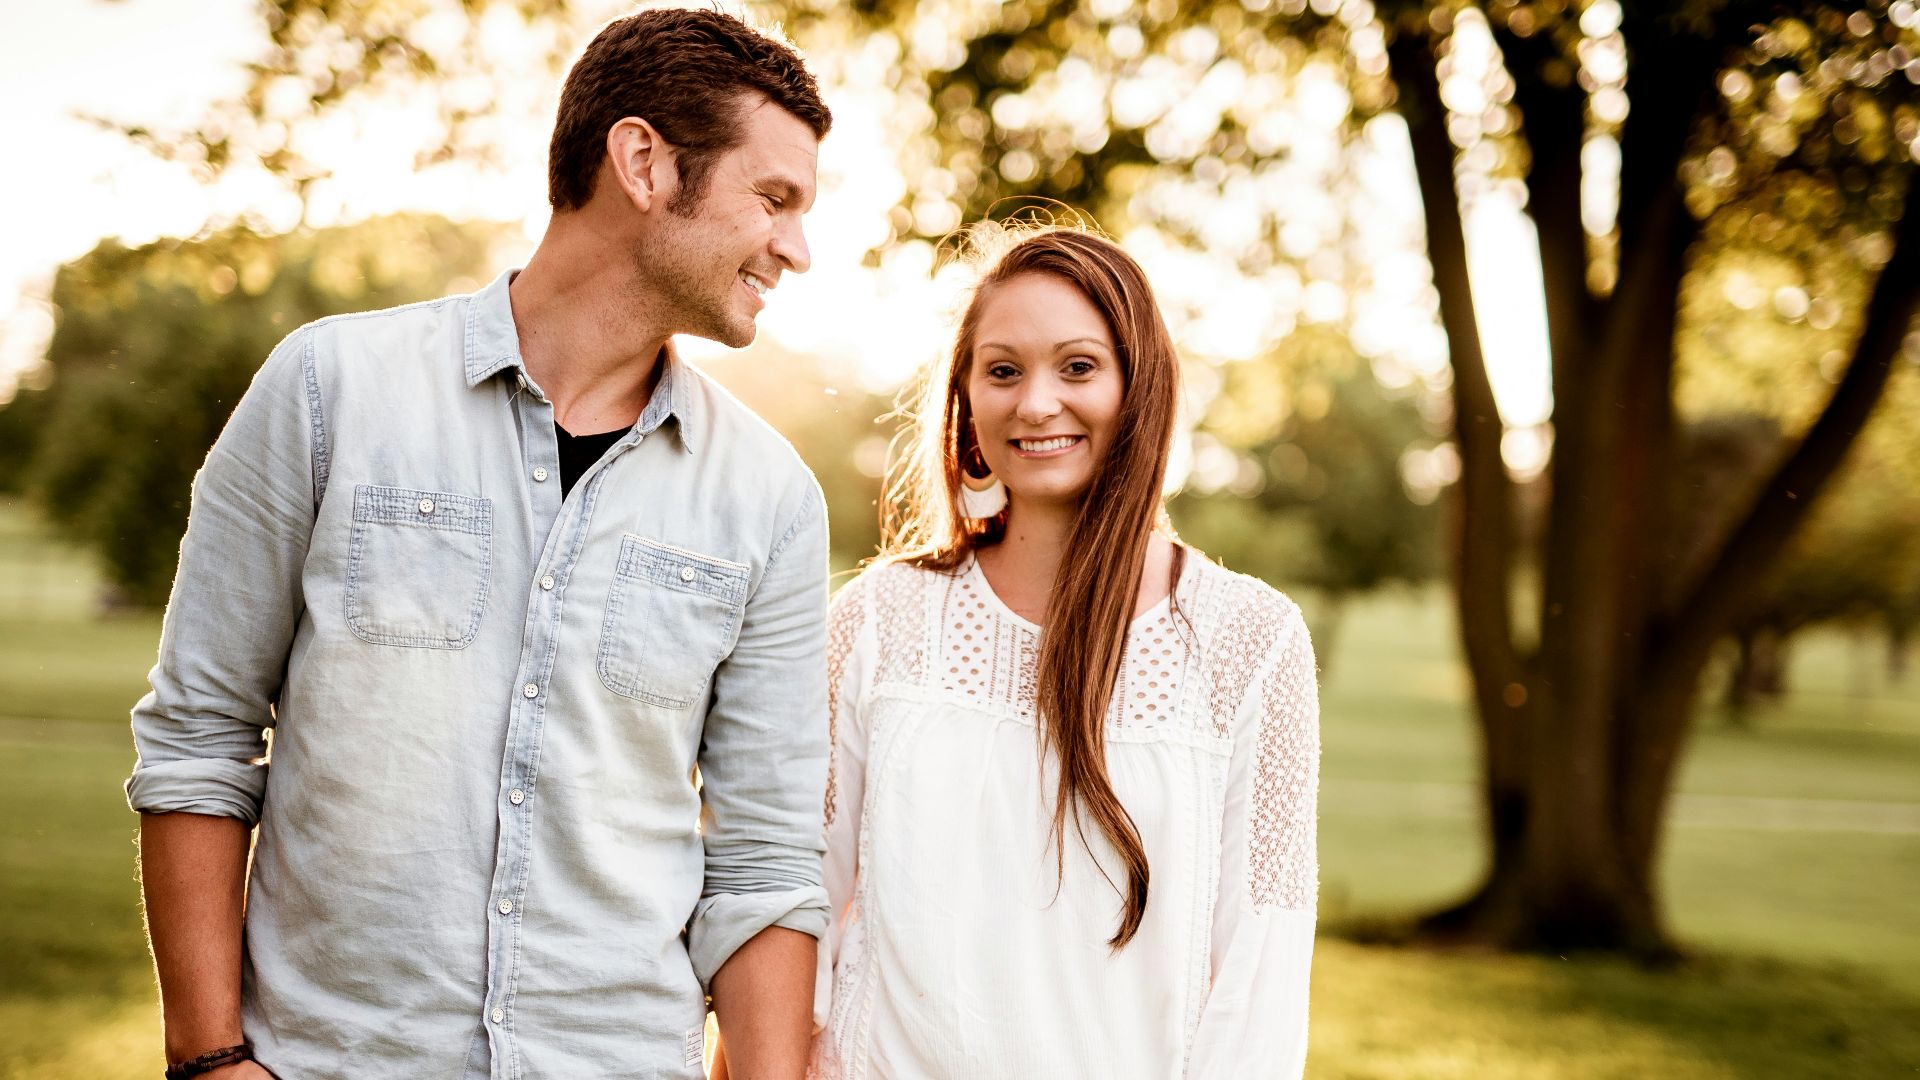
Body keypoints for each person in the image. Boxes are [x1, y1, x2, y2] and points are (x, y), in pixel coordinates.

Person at [126, 10, 835, 1079]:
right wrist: (209, 1057)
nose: (797, 249)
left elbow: (765, 859)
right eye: (773, 199)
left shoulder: (771, 497)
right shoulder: (329, 391)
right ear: (643, 163)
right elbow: (200, 737)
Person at [809, 226, 1321, 1078]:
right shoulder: (877, 620)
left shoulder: (1251, 640)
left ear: (1139, 386)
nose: (1037, 403)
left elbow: (1260, 967)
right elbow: (797, 899)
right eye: (1003, 370)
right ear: (967, 399)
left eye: (1078, 367)